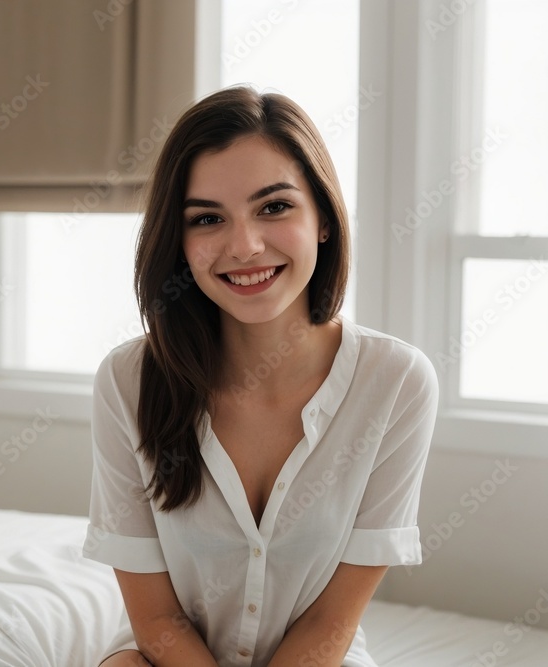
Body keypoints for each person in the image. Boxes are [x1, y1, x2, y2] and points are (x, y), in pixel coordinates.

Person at [82, 85, 439, 667]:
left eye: (274, 207)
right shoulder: (128, 379)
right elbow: (156, 621)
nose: (244, 246)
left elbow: (332, 620)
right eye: (207, 219)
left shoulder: (397, 382)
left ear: (322, 218)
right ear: (179, 242)